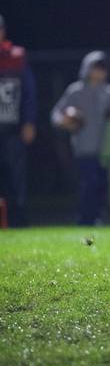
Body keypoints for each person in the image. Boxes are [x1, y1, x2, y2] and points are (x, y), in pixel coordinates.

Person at [51, 52, 110, 225]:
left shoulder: (109, 92)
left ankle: (97, 217)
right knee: (87, 184)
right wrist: (65, 121)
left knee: (101, 185)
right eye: (95, 68)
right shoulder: (75, 91)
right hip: (83, 147)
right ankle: (84, 218)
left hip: (105, 149)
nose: (98, 73)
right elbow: (56, 114)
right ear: (87, 69)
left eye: (102, 69)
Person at [0, 15, 36, 227]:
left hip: (12, 127)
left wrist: (29, 122)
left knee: (16, 176)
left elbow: (29, 92)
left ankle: (18, 219)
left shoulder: (16, 57)